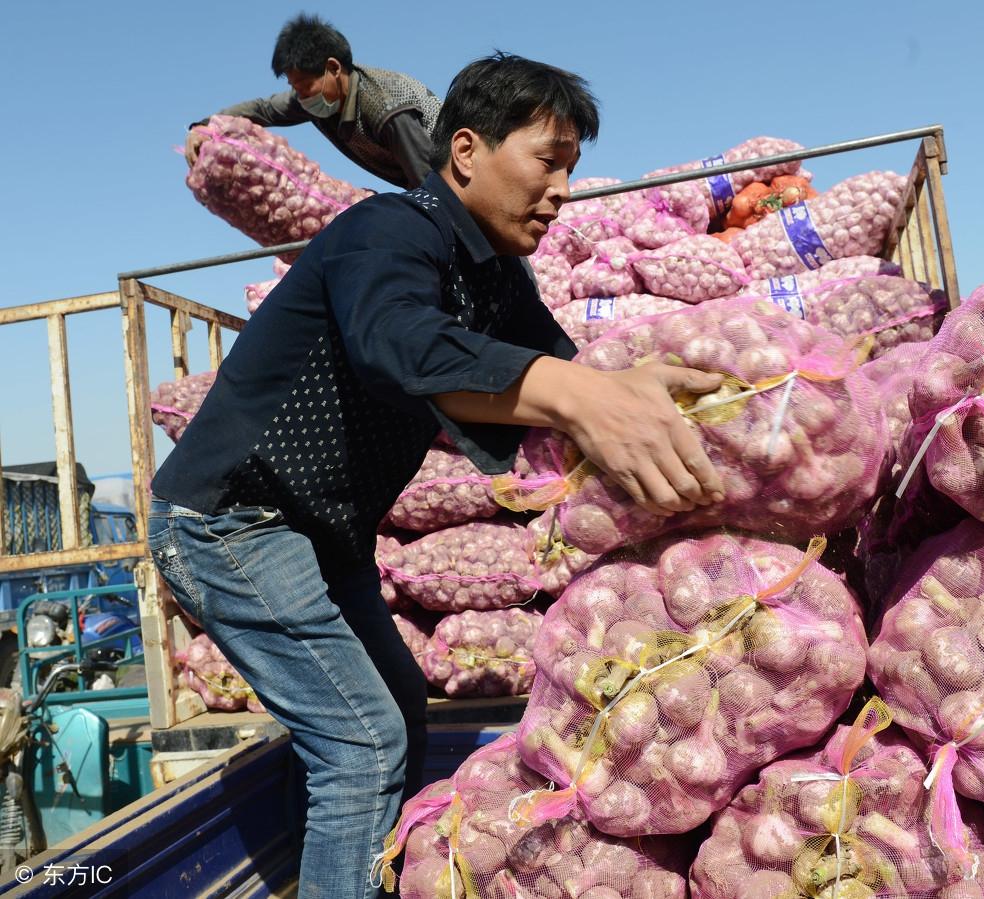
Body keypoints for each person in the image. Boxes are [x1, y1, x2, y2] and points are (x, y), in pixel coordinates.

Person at [148, 52, 724, 899]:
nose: (562, 189)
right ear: (464, 152)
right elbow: (402, 343)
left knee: (395, 705)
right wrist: (575, 394)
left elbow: (562, 362)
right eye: (546, 161)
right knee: (363, 740)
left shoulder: (496, 277)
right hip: (234, 521)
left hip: (318, 533)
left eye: (572, 167)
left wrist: (640, 387)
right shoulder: (390, 230)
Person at [184, 13, 441, 190]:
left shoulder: (388, 109)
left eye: (305, 86)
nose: (301, 96)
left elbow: (433, 182)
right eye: (294, 87)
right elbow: (264, 109)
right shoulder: (315, 99)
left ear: (333, 67)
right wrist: (206, 127)